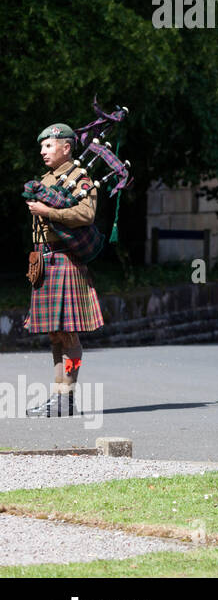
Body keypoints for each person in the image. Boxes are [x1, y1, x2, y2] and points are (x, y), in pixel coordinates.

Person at [24, 123, 103, 417]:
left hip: (66, 261)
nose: (43, 151)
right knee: (56, 335)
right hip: (45, 262)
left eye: (49, 146)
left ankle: (67, 397)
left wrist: (49, 212)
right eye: (42, 147)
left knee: (69, 336)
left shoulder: (80, 178)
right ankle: (58, 395)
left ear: (66, 147)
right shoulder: (47, 180)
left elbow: (86, 214)